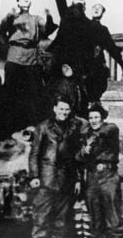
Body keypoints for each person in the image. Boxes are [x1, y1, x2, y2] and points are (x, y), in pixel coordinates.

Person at [29, 96, 87, 238]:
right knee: (41, 219)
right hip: (46, 179)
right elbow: (34, 153)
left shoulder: (73, 128)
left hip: (66, 179)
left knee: (62, 222)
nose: (64, 112)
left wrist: (78, 179)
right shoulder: (43, 127)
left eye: (67, 109)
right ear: (55, 109)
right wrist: (34, 176)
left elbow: (76, 156)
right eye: (61, 109)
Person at [0, 0, 57, 129]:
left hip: (31, 56)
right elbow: (2, 28)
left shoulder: (36, 18)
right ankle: (9, 125)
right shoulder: (12, 18)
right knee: (11, 92)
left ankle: (34, 125)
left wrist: (49, 17)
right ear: (17, 2)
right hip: (15, 54)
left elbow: (46, 29)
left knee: (33, 92)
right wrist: (9, 17)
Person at [77, 103, 122, 238]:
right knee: (95, 217)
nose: (93, 120)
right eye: (91, 118)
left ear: (102, 118)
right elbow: (78, 157)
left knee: (113, 216)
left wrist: (92, 138)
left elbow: (105, 132)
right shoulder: (85, 134)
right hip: (92, 177)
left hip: (108, 176)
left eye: (97, 117)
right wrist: (84, 151)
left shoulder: (111, 128)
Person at [86, 3, 123, 103]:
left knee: (96, 94)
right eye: (94, 7)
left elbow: (112, 49)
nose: (96, 9)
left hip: (97, 67)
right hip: (85, 65)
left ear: (103, 13)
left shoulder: (103, 30)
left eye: (99, 8)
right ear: (90, 10)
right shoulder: (84, 25)